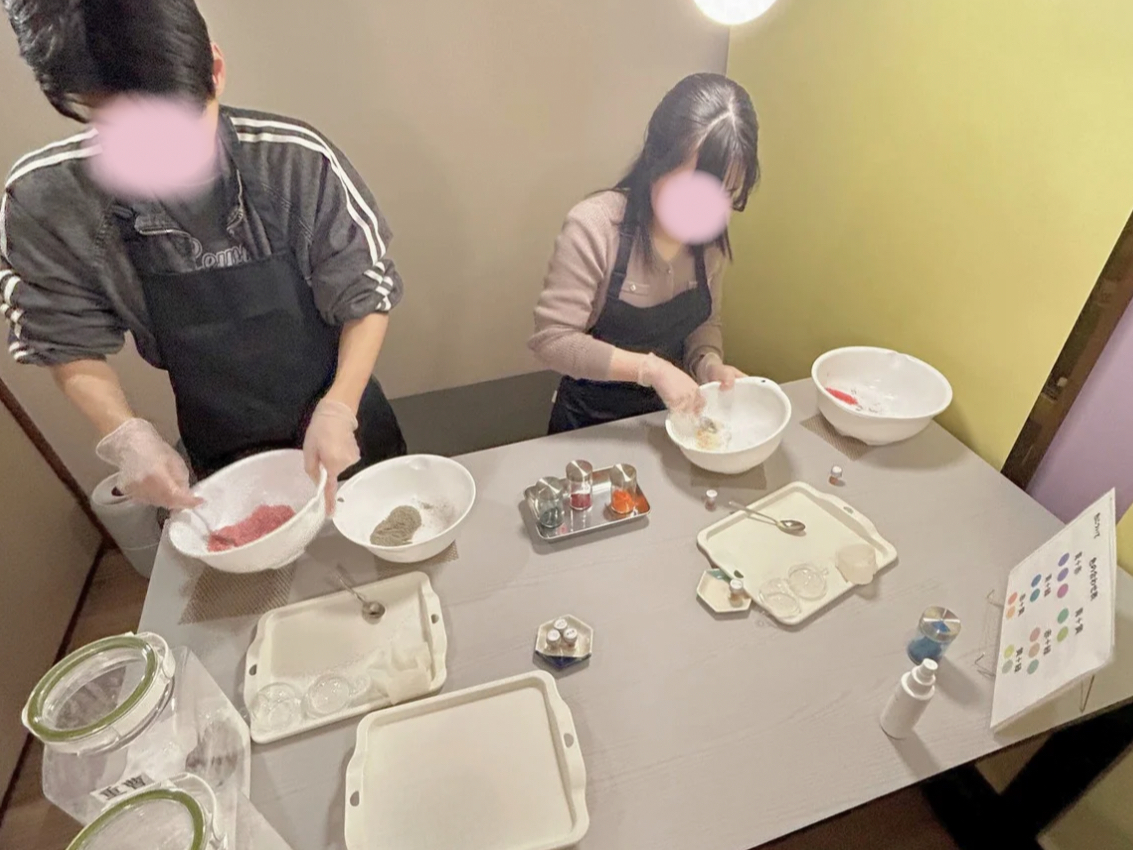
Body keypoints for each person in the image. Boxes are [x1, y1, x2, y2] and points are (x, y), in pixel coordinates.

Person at [2, 0, 407, 511]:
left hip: (345, 422)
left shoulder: (294, 160)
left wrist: (340, 408)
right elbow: (61, 337)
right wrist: (126, 436)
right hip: (221, 443)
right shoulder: (46, 199)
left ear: (214, 69)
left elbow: (365, 291)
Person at [529, 73, 759, 433]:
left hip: (668, 421)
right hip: (587, 424)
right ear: (656, 158)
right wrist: (650, 370)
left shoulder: (711, 245)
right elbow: (553, 340)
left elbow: (705, 324)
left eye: (727, 194)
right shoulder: (596, 226)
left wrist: (710, 366)